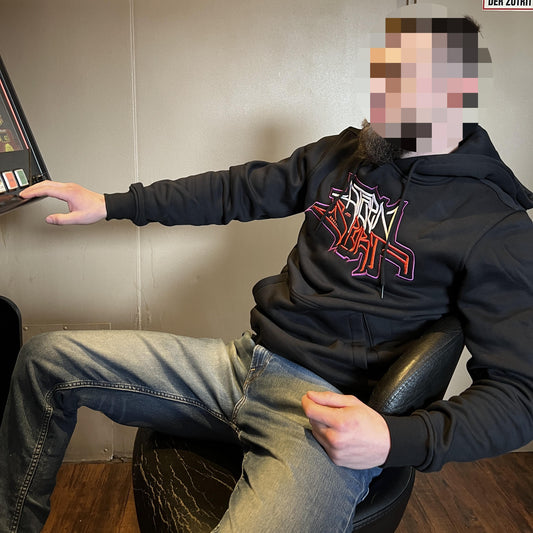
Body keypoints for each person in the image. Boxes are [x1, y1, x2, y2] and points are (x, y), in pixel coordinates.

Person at [2, 4, 532, 532]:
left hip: (322, 416)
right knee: (45, 361)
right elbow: (234, 190)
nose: (376, 97)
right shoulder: (344, 154)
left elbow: (520, 395)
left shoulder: (493, 224)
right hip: (242, 365)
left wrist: (396, 439)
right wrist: (110, 203)